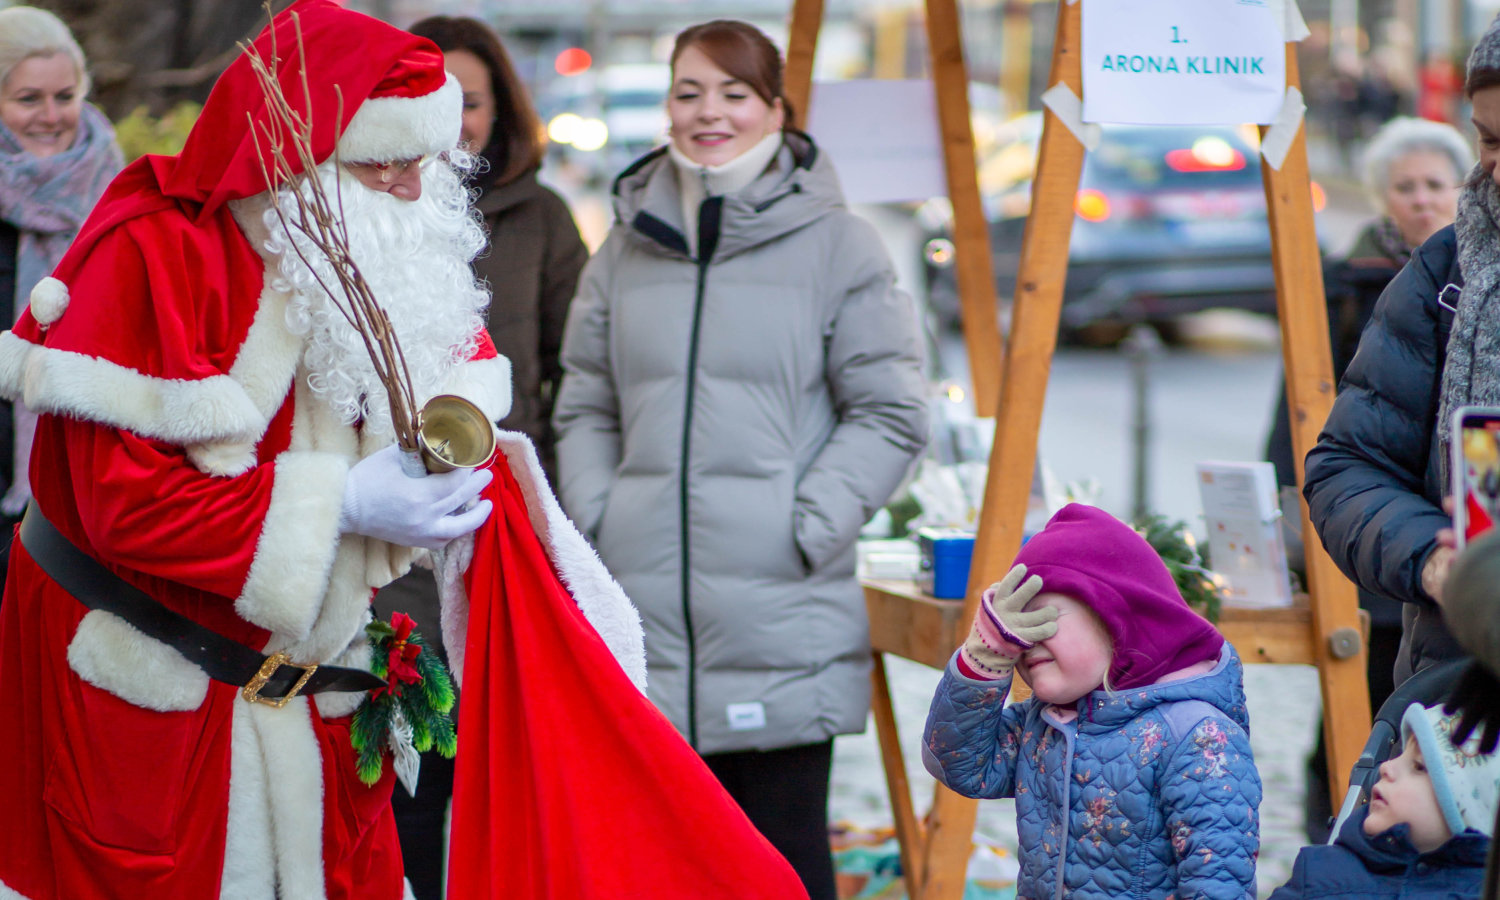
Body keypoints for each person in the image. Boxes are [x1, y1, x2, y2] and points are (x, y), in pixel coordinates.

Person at [0, 3, 645, 897]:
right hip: (150, 687)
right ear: (292, 157)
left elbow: (465, 389)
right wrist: (336, 504)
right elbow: (120, 503)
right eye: (382, 165)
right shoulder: (153, 254)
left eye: (422, 162)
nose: (412, 191)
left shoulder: (400, 255)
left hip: (315, 694)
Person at [552, 19, 929, 900]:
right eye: (689, 92)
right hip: (640, 613)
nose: (708, 113)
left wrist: (808, 523)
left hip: (779, 617)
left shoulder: (842, 245)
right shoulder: (625, 248)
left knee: (780, 869)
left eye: (733, 93)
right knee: (652, 868)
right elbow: (585, 399)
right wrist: (603, 517)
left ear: (775, 109)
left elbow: (890, 410)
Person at [371, 16, 588, 898]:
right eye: (434, 99)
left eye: (472, 100)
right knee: (403, 778)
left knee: (508, 778)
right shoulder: (360, 212)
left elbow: (578, 376)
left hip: (508, 540)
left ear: (500, 111)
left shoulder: (541, 217)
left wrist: (563, 522)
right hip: (390, 551)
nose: (452, 119)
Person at [1267, 115, 1471, 842]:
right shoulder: (1387, 279)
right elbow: (1318, 424)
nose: (1420, 199)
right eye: (1405, 187)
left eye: (1432, 185)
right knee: (1356, 706)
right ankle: (1338, 828)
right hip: (1415, 566)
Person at [1302, 15, 1500, 696]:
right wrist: (1435, 560)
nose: (1496, 168)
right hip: (1460, 684)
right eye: (1488, 140)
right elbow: (1347, 467)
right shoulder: (1443, 273)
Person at [922, 503, 1262, 900]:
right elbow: (958, 764)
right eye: (1016, 629)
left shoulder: (1198, 737)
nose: (1025, 640)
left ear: (1114, 616)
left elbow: (1218, 883)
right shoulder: (1046, 721)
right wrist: (985, 658)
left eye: (1045, 617)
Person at [0, 6, 122, 578]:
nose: (51, 116)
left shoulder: (118, 191)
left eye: (65, 96)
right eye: (28, 99)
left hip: (85, 480)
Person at [1266, 702, 1497, 900]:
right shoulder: (1321, 875)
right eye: (1398, 755)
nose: (1386, 767)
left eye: (1417, 767)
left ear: (1470, 809)